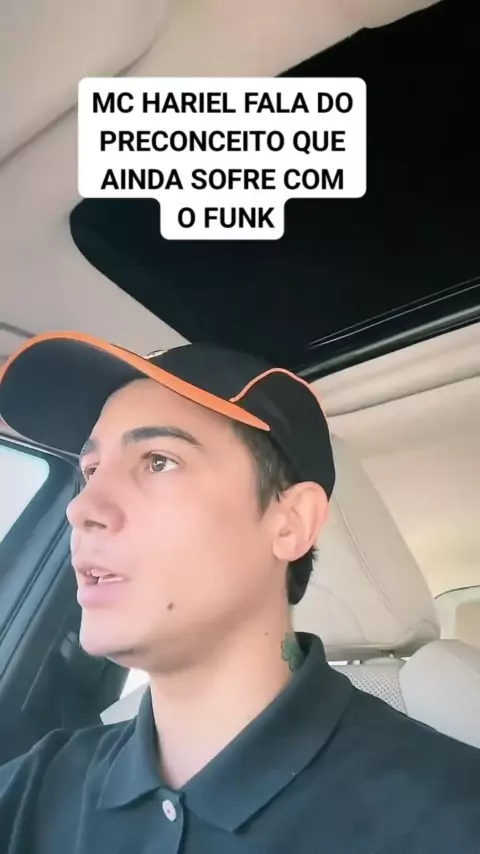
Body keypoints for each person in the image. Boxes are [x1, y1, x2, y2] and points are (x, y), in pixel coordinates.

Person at [0, 330, 479, 854]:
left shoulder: (449, 818)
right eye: (91, 471)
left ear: (291, 523)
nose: (82, 508)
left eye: (159, 460)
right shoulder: (34, 788)